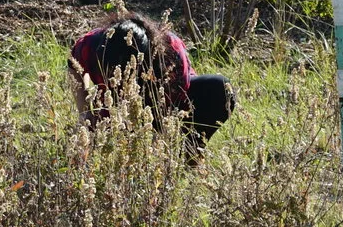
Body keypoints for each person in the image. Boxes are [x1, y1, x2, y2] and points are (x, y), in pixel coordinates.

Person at [67, 11, 235, 146]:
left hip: (167, 101)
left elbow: (170, 106)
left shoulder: (171, 53)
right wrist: (86, 114)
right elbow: (74, 68)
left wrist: (150, 145)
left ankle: (189, 155)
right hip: (110, 108)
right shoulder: (90, 45)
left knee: (219, 88)